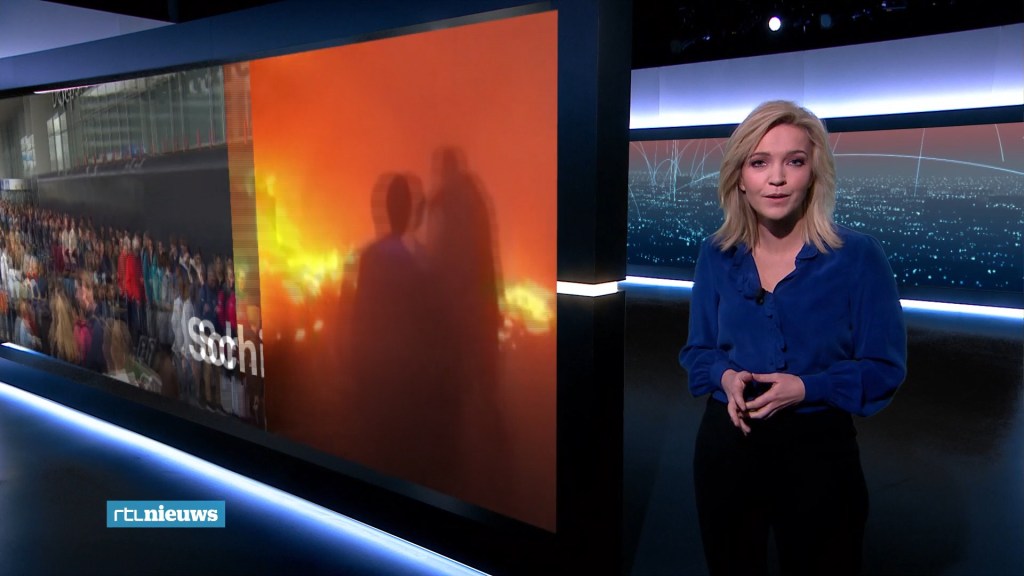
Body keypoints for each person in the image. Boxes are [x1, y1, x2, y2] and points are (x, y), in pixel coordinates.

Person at [679, 100, 907, 576]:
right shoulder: (716, 254)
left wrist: (807, 387)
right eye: (760, 162)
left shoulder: (858, 256)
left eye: (794, 161)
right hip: (727, 444)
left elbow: (884, 368)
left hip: (818, 452)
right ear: (740, 178)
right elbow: (698, 350)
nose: (777, 178)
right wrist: (725, 378)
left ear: (813, 173)